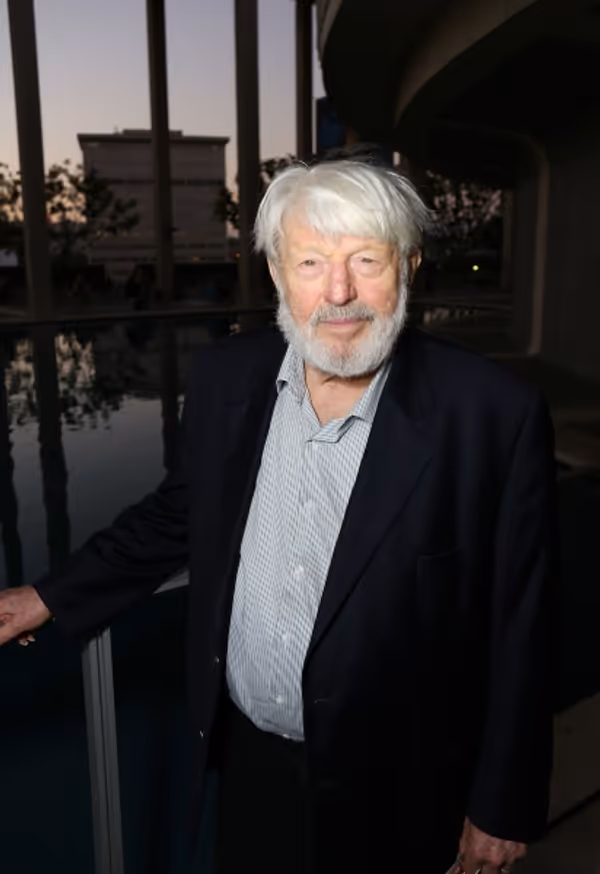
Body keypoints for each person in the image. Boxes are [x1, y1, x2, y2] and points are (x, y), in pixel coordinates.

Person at [0, 160, 557, 874]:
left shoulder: (492, 413)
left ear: (409, 265)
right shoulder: (228, 377)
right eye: (311, 261)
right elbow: (179, 514)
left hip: (403, 783)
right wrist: (47, 596)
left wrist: (500, 805)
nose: (339, 291)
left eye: (367, 259)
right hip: (252, 759)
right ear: (275, 272)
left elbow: (523, 623)